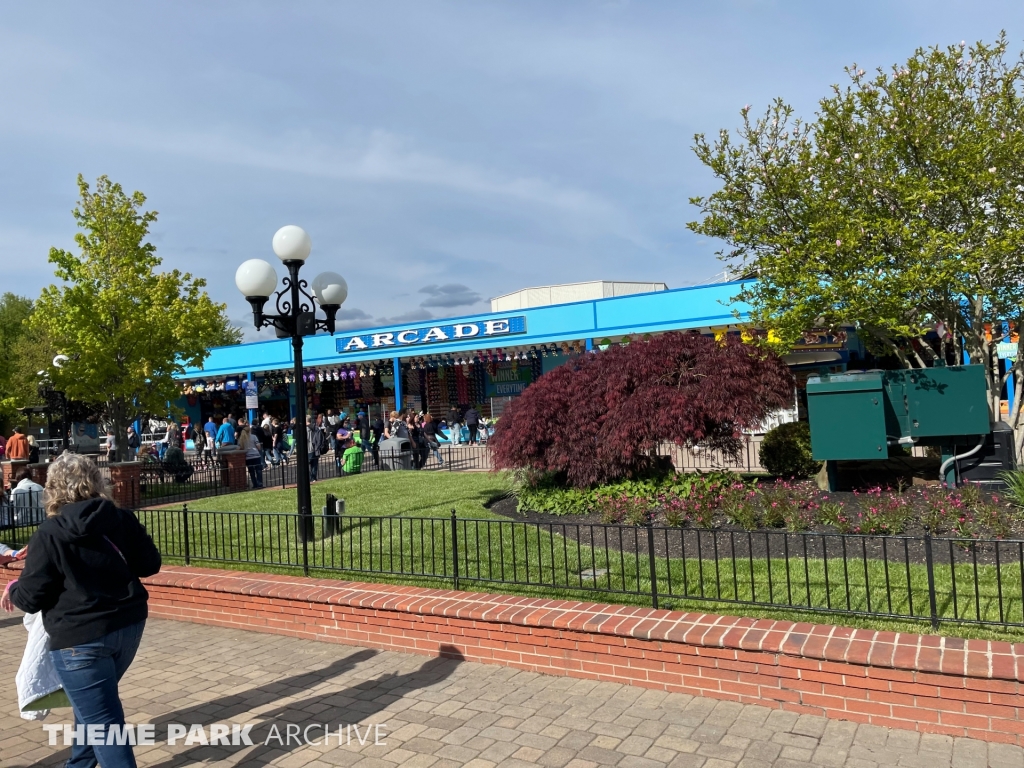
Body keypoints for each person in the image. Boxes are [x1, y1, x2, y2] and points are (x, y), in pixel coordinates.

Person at [2, 453, 161, 768]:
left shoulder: (50, 532)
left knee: (103, 723)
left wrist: (12, 589)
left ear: (53, 488)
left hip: (80, 640)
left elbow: (30, 597)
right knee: (94, 707)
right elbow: (149, 564)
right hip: (127, 627)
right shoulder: (120, 518)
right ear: (94, 481)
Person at [306, 416, 325, 482]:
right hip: (316, 448)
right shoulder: (316, 428)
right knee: (314, 465)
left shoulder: (306, 429)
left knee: (306, 465)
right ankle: (313, 478)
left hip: (308, 449)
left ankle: (308, 478)